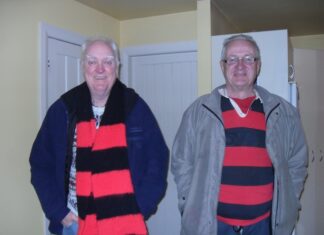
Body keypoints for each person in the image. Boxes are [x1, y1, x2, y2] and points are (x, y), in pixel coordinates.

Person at [30, 37, 169, 235]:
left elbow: (158, 161)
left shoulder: (136, 108)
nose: (100, 69)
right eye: (92, 61)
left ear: (117, 66)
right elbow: (40, 163)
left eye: (108, 61)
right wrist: (58, 211)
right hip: (74, 224)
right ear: (83, 65)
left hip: (125, 222)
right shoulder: (63, 109)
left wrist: (140, 208)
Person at [171, 34, 308, 235]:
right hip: (212, 225)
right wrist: (189, 205)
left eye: (248, 58)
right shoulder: (198, 111)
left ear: (258, 65)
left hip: (264, 225)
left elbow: (298, 161)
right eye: (233, 59)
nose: (240, 65)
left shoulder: (283, 112)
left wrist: (290, 200)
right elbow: (181, 161)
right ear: (222, 66)